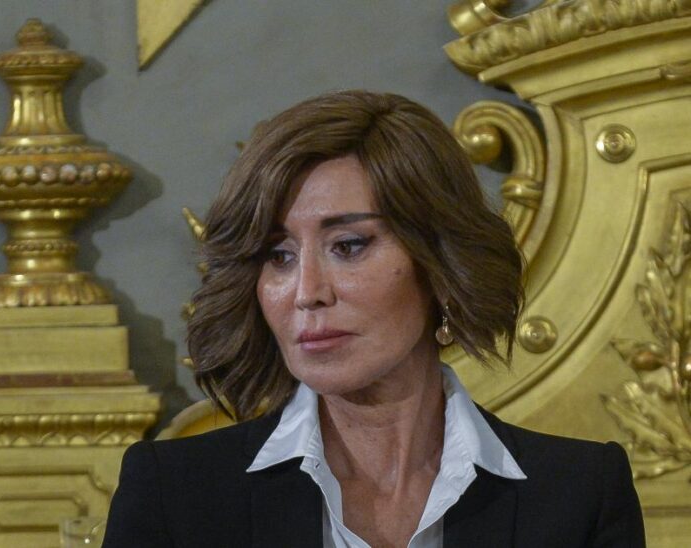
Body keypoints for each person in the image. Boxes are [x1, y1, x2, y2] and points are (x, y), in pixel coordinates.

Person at [102, 90, 645, 547]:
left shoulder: (580, 494)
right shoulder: (174, 494)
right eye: (278, 255)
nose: (307, 293)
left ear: (441, 263)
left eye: (349, 245)